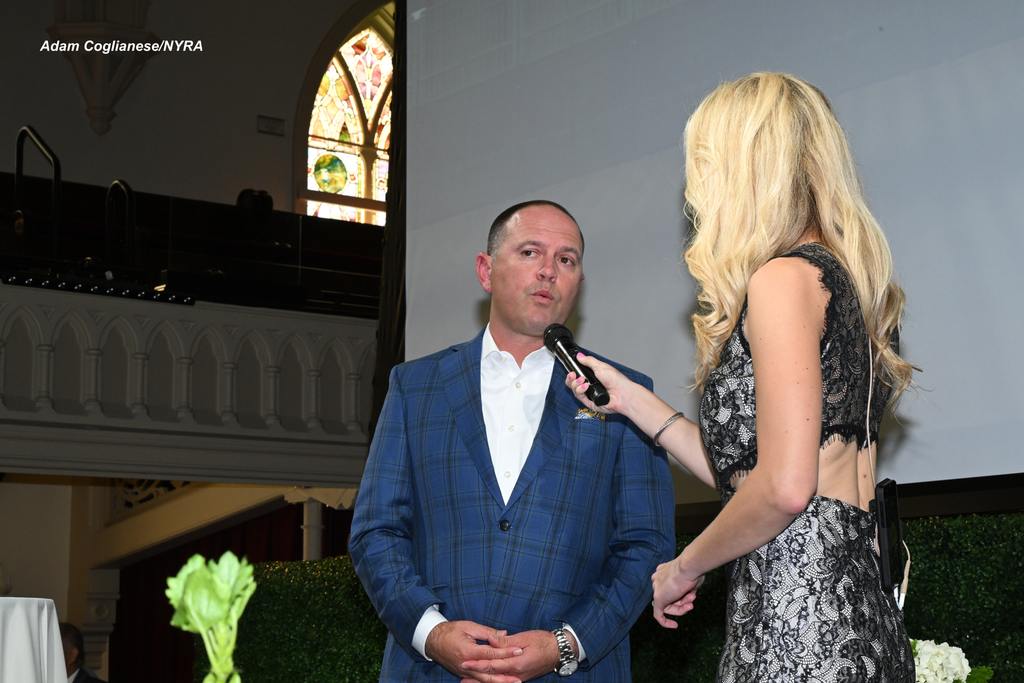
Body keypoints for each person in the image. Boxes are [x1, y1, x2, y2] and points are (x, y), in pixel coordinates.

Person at [566, 72, 916, 681]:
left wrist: (683, 567)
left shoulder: (780, 279)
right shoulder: (846, 281)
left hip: (797, 622)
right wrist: (630, 401)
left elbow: (783, 488)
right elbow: (756, 476)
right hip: (860, 614)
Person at [349, 200, 676, 682]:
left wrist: (565, 644)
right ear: (486, 270)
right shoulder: (414, 387)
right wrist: (432, 634)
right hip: (433, 671)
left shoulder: (623, 394)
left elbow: (646, 544)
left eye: (566, 260)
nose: (548, 271)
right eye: (530, 252)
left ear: (578, 284)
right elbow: (377, 531)